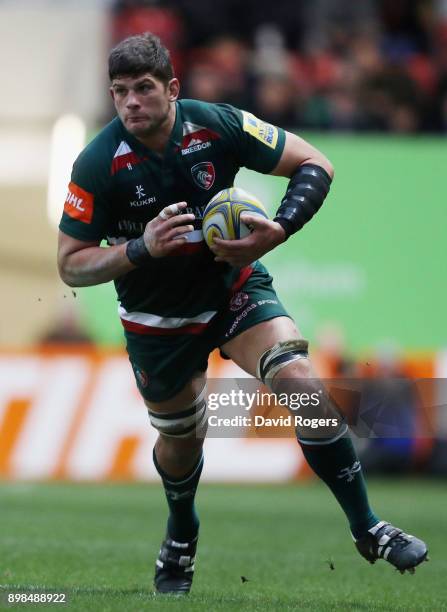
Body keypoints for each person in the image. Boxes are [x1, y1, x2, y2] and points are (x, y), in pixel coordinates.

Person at [57, 33, 428, 595]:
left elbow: (314, 162)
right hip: (157, 321)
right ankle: (182, 530)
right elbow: (70, 264)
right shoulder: (96, 163)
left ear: (172, 89)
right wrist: (140, 250)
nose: (131, 102)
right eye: (119, 92)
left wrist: (279, 229)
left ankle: (367, 526)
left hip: (232, 288)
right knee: (184, 441)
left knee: (302, 381)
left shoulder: (217, 125)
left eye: (144, 88)